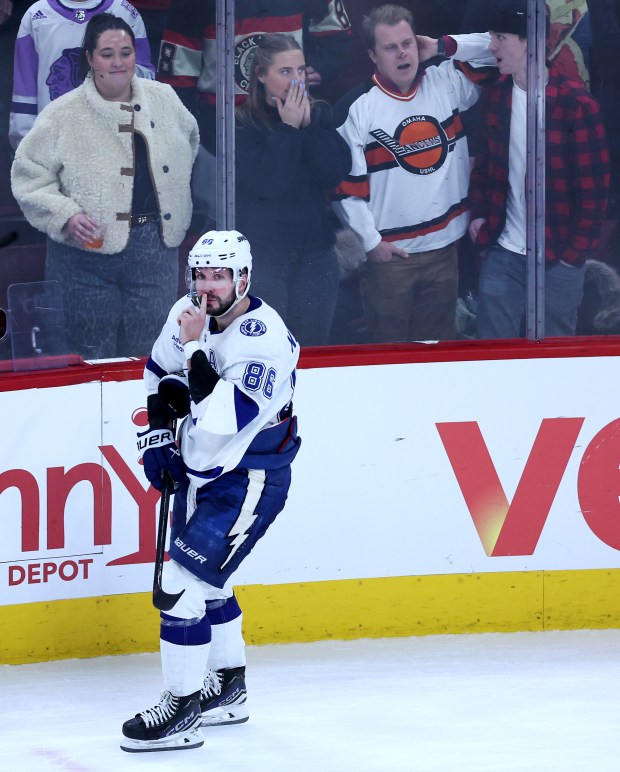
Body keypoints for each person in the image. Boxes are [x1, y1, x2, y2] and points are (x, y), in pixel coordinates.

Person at [121, 229, 301, 753]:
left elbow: (224, 419)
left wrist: (197, 345)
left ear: (244, 278)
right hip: (206, 472)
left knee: (180, 586)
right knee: (209, 585)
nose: (207, 287)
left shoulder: (263, 340)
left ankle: (180, 710)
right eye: (199, 275)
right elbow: (159, 370)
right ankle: (227, 690)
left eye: (219, 276)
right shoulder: (189, 309)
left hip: (250, 478)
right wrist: (157, 441)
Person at [10, 12, 198, 360]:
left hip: (154, 250)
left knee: (152, 355)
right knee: (91, 355)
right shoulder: (61, 113)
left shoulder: (166, 99)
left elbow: (190, 144)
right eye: (107, 54)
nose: (118, 62)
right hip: (84, 256)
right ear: (90, 58)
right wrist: (64, 215)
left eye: (126, 52)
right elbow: (28, 176)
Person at [331, 4, 495, 343]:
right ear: (373, 56)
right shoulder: (357, 108)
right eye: (390, 47)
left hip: (445, 251)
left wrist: (440, 47)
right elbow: (346, 189)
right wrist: (371, 243)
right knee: (388, 360)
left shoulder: (445, 81)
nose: (402, 53)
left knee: (437, 358)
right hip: (391, 260)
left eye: (407, 43)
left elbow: (496, 50)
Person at [468, 0, 610, 339]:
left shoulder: (577, 106)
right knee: (492, 350)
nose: (492, 46)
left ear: (529, 41)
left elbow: (594, 195)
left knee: (555, 356)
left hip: (559, 256)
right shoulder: (496, 97)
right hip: (504, 250)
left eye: (500, 37)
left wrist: (571, 258)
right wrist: (480, 217)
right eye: (491, 36)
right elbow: (485, 170)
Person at [234, 33, 351, 346]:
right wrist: (287, 130)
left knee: (312, 350)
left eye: (300, 70)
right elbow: (270, 184)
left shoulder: (317, 115)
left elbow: (336, 172)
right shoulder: (242, 126)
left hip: (315, 255)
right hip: (266, 257)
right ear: (260, 75)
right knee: (269, 350)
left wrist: (309, 127)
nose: (297, 80)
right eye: (286, 72)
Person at [9, 0, 154, 150]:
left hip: (114, 141)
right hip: (54, 142)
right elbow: (25, 88)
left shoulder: (125, 11)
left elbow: (146, 84)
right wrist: (25, 144)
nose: (50, 81)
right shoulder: (36, 15)